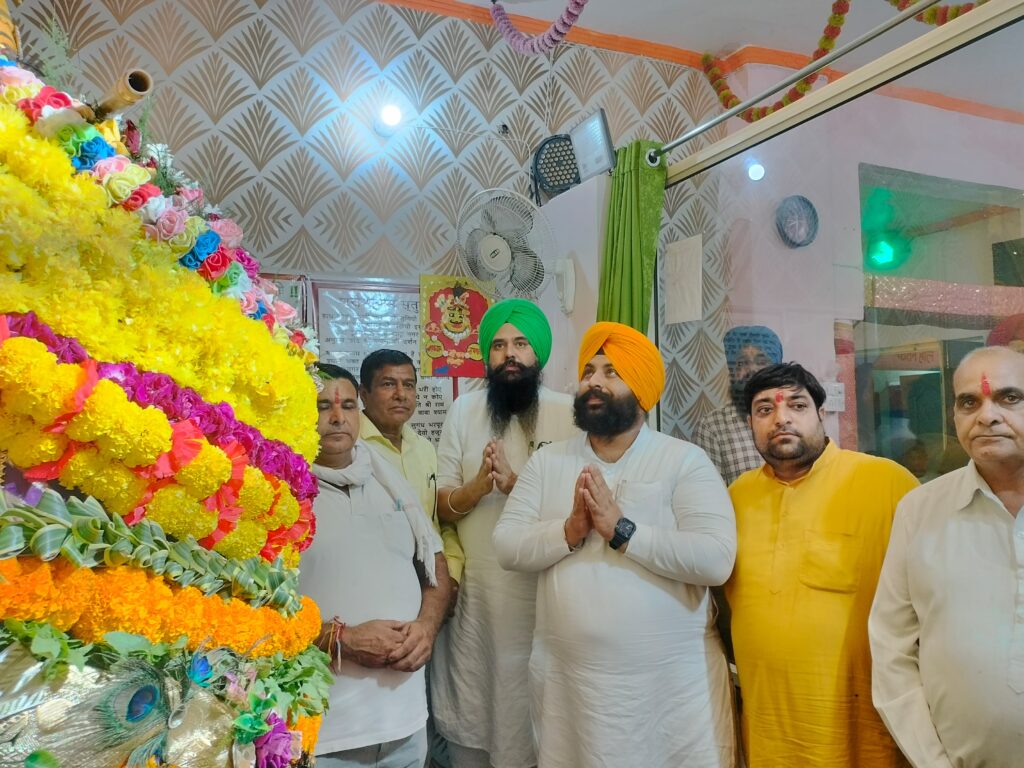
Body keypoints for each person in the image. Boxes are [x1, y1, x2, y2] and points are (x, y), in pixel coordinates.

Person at [492, 321, 737, 767]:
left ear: (641, 389)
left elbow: (716, 560)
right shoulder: (548, 462)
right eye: (589, 371)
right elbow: (507, 545)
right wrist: (569, 531)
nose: (594, 382)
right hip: (572, 688)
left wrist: (623, 531)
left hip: (669, 693)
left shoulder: (684, 461)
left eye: (612, 372)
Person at [726, 362, 918, 768]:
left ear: (821, 414)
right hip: (769, 730)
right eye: (764, 410)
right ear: (750, 424)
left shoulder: (887, 482)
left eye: (797, 405)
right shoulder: (736, 497)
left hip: (861, 729)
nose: (781, 418)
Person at [430, 299, 577, 768]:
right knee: (476, 704)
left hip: (544, 592)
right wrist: (477, 487)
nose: (509, 354)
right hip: (479, 597)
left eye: (520, 343)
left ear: (539, 354)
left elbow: (581, 511)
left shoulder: (569, 414)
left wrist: (517, 486)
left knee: (541, 713)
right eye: (498, 345)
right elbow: (441, 503)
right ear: (486, 356)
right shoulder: (463, 411)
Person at [870, 345, 1024, 767]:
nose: (987, 416)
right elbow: (891, 649)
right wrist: (932, 761)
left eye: (1009, 397)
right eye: (968, 402)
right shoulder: (919, 511)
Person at [300, 363, 451, 768]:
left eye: (347, 406)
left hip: (406, 725)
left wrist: (426, 627)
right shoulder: (281, 492)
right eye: (322, 406)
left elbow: (435, 564)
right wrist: (342, 639)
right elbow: (253, 612)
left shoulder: (386, 477)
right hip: (323, 734)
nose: (337, 417)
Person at [359, 348, 465, 592]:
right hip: (377, 584)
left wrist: (452, 574)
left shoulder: (424, 448)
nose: (401, 395)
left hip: (433, 581)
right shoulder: (350, 449)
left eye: (408, 385)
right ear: (364, 394)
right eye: (388, 384)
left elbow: (438, 521)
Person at [693, 326, 783, 485]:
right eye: (742, 363)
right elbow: (711, 493)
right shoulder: (712, 427)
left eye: (761, 361)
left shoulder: (795, 417)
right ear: (732, 371)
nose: (752, 369)